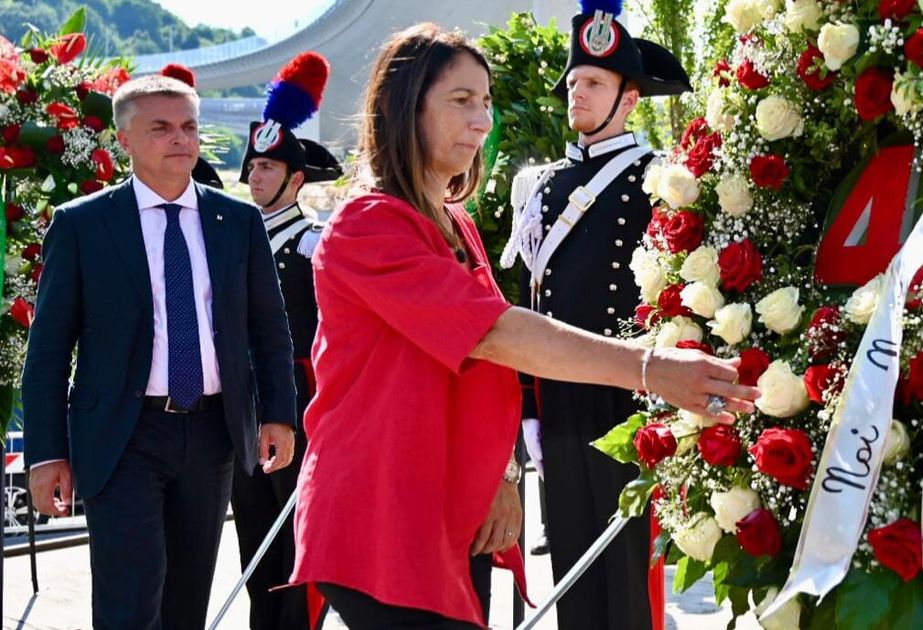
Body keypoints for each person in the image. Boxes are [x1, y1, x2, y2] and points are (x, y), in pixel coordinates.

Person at [288, 22, 754, 630]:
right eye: (461, 101)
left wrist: (502, 474)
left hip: (450, 510)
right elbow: (493, 333)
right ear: (403, 106)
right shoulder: (368, 224)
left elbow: (484, 370)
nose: (482, 121)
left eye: (484, 102)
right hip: (383, 512)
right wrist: (648, 367)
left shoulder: (453, 220)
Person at [22, 74, 297, 630]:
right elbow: (48, 348)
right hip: (124, 437)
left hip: (213, 433)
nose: (181, 139)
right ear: (124, 139)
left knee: (186, 600)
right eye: (162, 128)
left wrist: (279, 415)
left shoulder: (237, 221)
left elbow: (268, 329)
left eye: (189, 126)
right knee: (130, 600)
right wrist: (47, 453)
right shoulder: (83, 225)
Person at [500, 1, 691, 627]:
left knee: (628, 572)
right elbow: (534, 299)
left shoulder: (659, 177)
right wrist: (529, 403)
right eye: (575, 81)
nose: (577, 93)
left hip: (631, 395)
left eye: (595, 83)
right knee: (573, 568)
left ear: (629, 100)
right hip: (560, 396)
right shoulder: (544, 185)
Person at [234, 51, 344, 630]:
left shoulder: (314, 247)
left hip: (301, 407)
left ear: (296, 179)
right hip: (241, 408)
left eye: (268, 169)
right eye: (252, 167)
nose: (255, 176)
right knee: (252, 537)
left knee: (295, 540)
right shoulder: (234, 242)